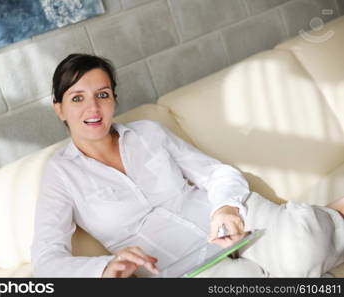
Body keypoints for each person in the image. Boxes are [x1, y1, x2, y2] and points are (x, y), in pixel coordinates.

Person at [31, 53, 344, 278]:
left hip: (232, 220)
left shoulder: (148, 133)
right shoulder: (60, 175)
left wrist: (225, 208)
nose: (93, 108)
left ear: (114, 99)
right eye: (77, 98)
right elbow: (47, 260)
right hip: (183, 268)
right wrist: (102, 268)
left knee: (305, 248)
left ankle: (324, 222)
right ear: (59, 109)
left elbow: (217, 173)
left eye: (102, 94)